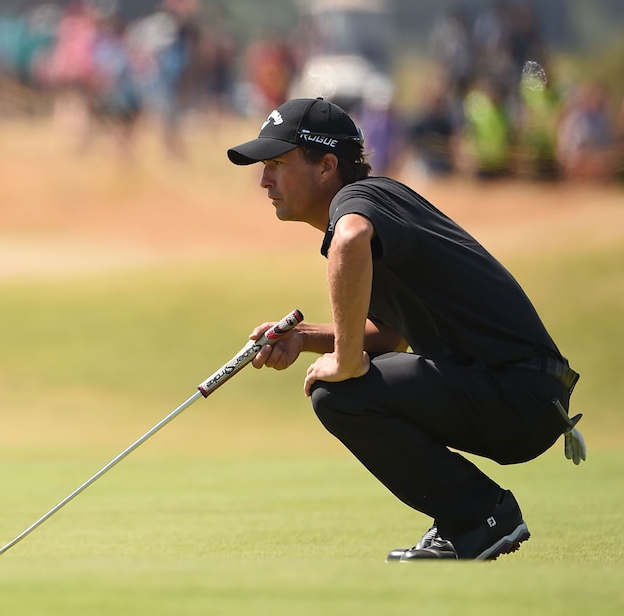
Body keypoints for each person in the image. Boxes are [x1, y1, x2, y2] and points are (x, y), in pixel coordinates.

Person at [227, 97, 583, 562]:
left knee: (340, 393)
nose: (264, 179)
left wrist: (347, 360)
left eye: (277, 162)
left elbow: (351, 240)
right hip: (525, 397)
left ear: (326, 166)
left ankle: (479, 516)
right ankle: (473, 517)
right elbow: (392, 333)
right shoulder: (380, 202)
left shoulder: (357, 204)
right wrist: (305, 339)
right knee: (349, 382)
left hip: (518, 393)